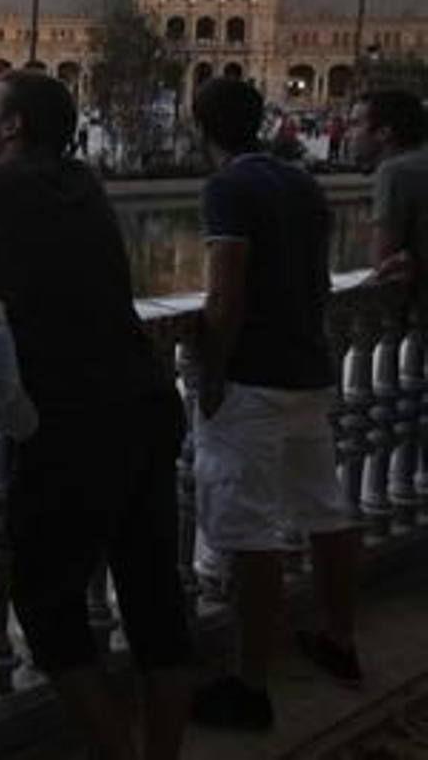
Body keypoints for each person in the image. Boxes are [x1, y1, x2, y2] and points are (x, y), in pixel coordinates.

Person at [0, 70, 191, 759]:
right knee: (154, 602)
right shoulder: (86, 182)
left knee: (47, 607)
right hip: (147, 401)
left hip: (75, 422)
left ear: (13, 126)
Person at [189, 77, 361, 732]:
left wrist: (213, 370)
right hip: (308, 368)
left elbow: (224, 292)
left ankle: (248, 684)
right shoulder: (301, 181)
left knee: (248, 534)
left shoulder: (228, 186)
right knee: (326, 511)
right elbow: (317, 279)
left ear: (199, 125)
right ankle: (340, 642)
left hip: (254, 379)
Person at [346, 89, 428, 298]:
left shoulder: (395, 172)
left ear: (384, 132)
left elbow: (382, 263)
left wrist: (367, 230)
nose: (349, 134)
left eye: (356, 124)